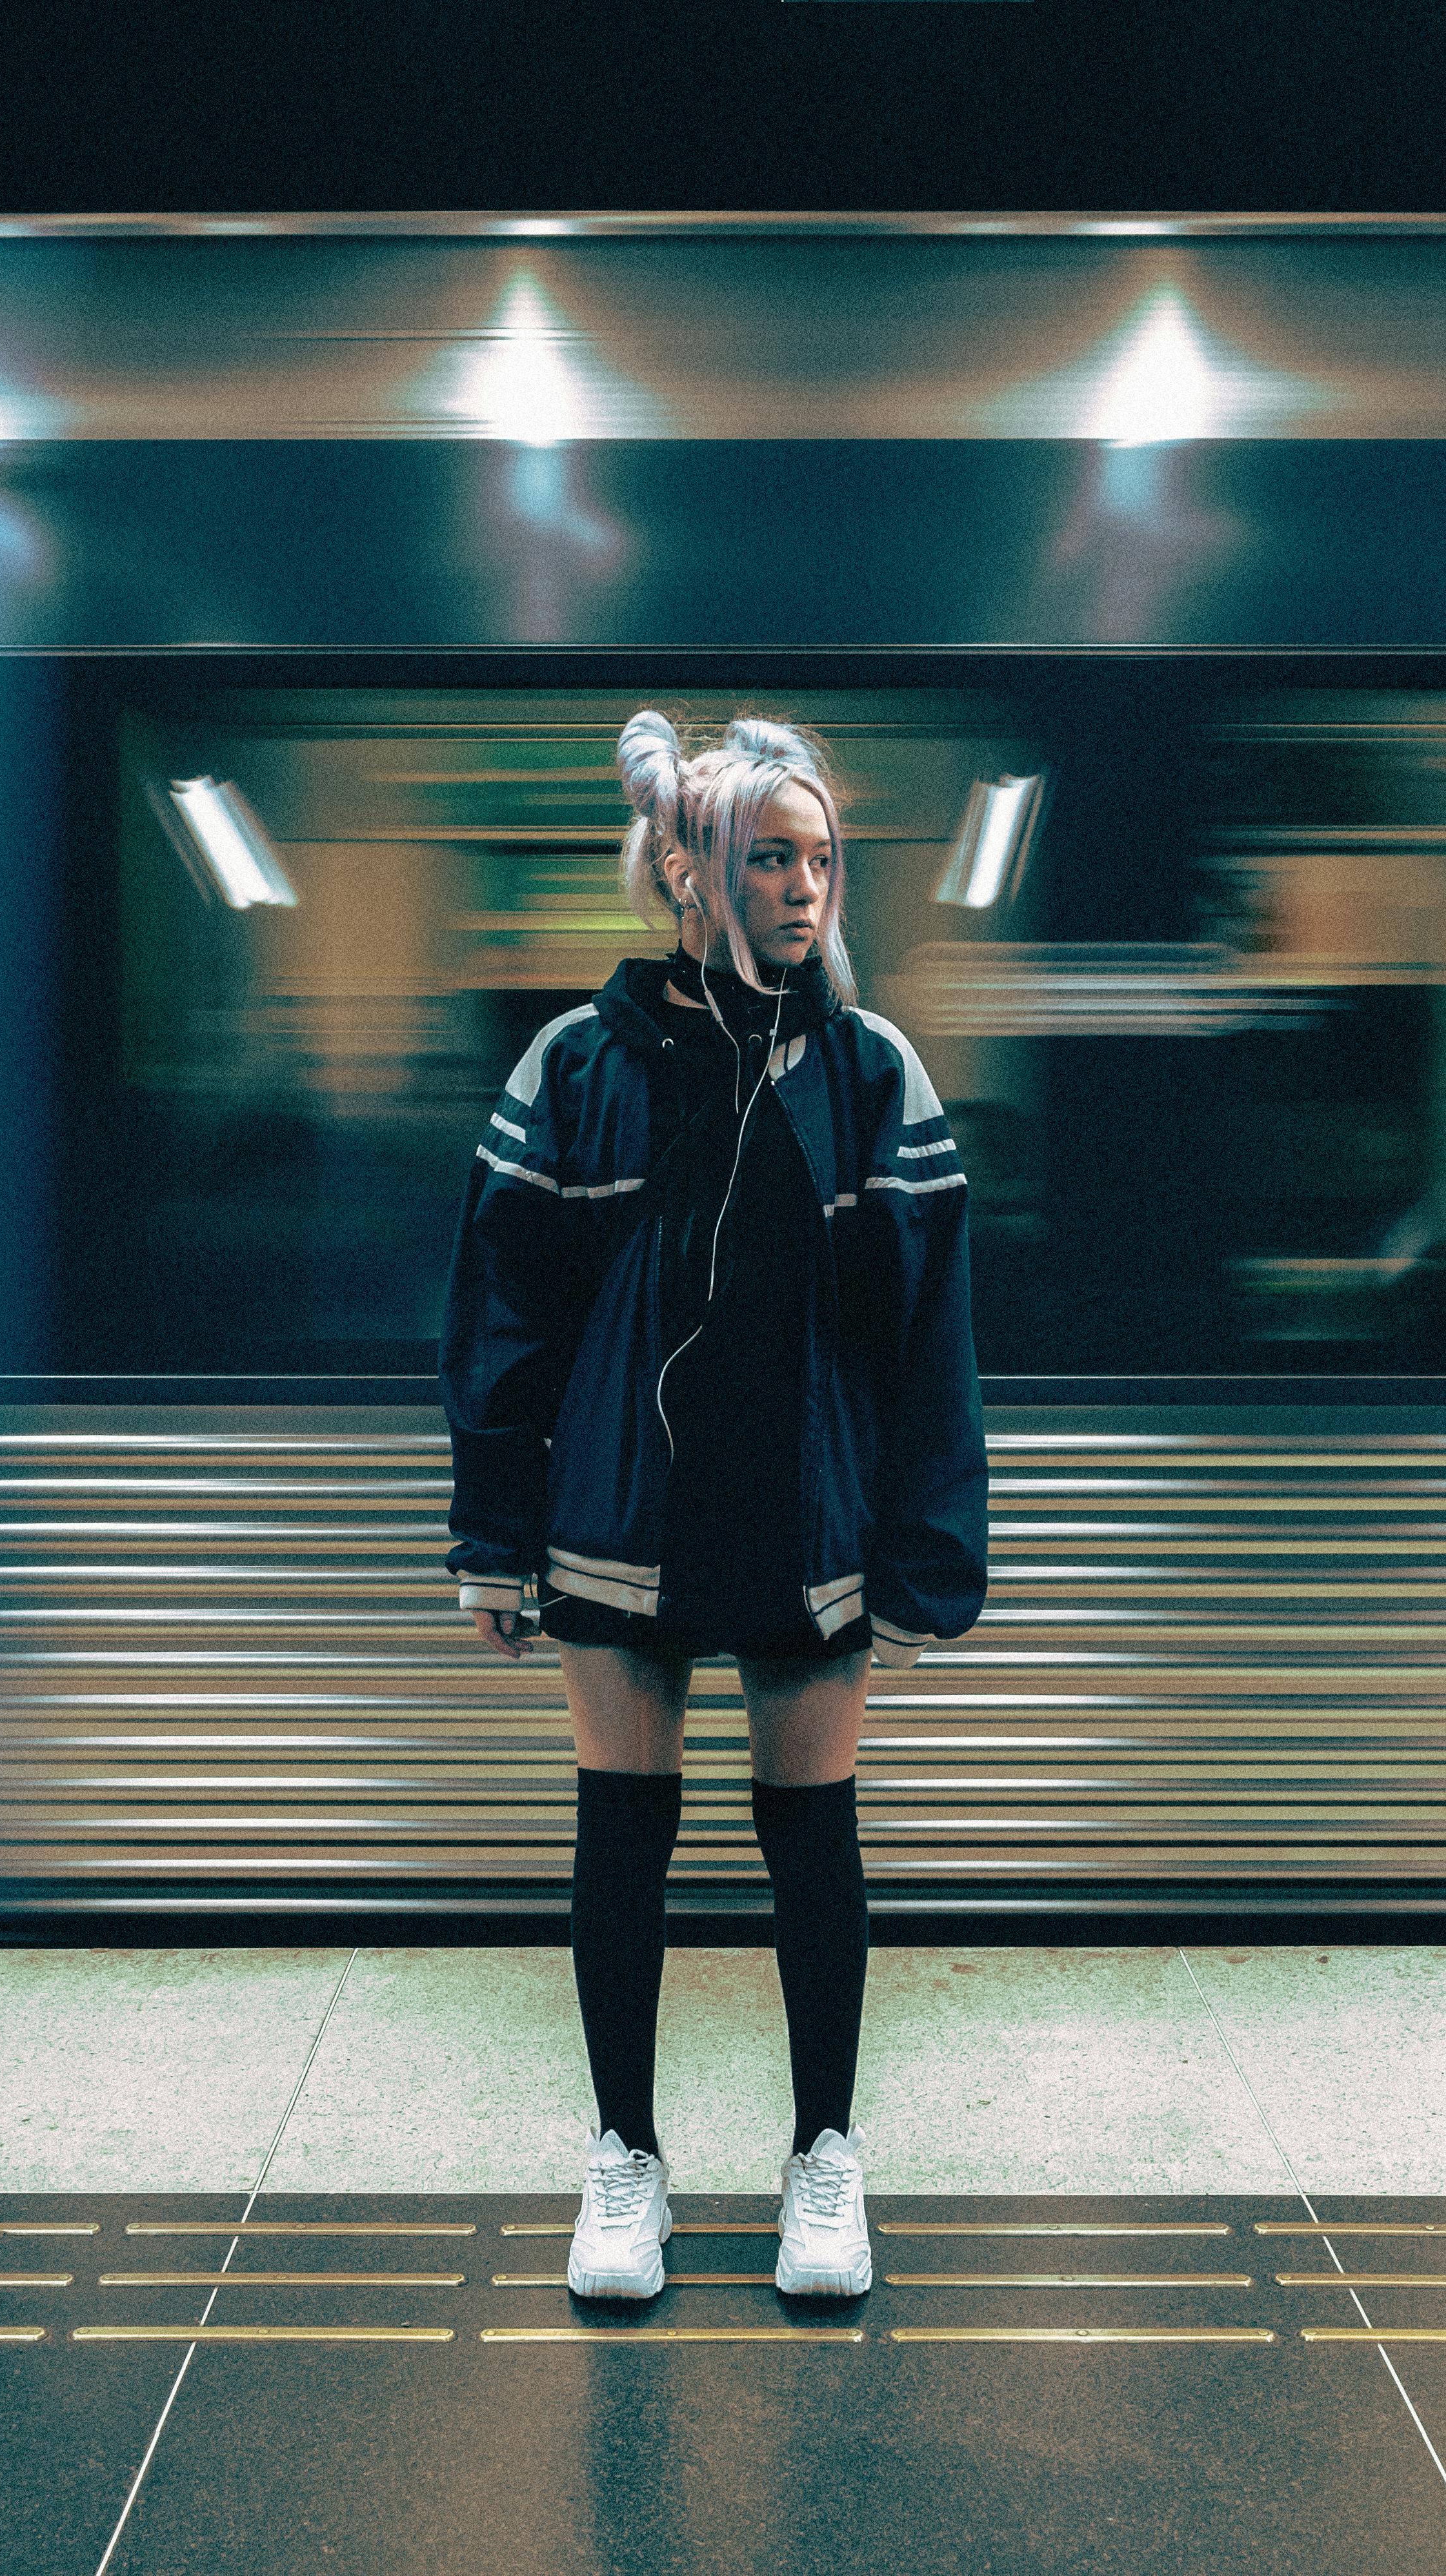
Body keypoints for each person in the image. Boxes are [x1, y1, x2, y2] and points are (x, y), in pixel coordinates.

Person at [441, 709, 988, 2303]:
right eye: (770, 857)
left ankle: (826, 2152)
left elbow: (932, 1338)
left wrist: (925, 1553)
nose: (805, 887)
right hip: (618, 1513)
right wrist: (490, 1535)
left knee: (814, 1847)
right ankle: (626, 2160)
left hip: (812, 1526)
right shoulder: (582, 1067)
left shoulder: (875, 1075)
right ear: (691, 877)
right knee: (626, 1840)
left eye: (822, 858)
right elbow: (503, 1322)